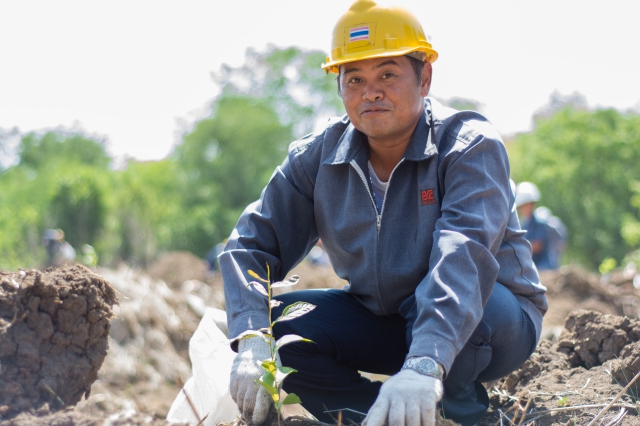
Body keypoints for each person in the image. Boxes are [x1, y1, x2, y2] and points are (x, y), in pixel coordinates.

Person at [219, 1, 548, 425]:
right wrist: (251, 337)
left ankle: (460, 413)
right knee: (283, 325)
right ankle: (372, 417)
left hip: (487, 323)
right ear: (340, 87)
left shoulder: (468, 147)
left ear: (424, 78)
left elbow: (463, 259)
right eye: (354, 79)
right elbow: (250, 246)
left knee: (476, 302)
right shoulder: (315, 159)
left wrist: (424, 364)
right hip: (384, 320)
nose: (370, 92)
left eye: (388, 75)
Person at [515, 182, 553, 270]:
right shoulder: (522, 223)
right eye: (521, 206)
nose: (523, 208)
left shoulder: (539, 222)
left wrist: (518, 247)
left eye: (526, 204)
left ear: (532, 204)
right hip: (530, 264)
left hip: (543, 265)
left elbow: (538, 245)